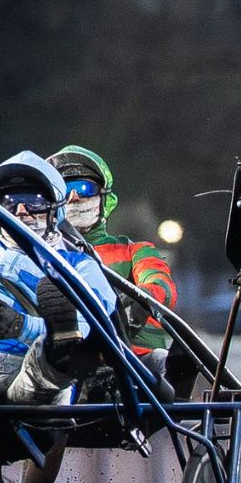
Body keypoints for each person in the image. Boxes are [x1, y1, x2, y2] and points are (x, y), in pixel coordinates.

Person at [0, 40, 117, 403]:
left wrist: (23, 327)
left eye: (33, 202)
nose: (21, 211)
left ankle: (55, 342)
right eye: (10, 203)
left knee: (58, 351)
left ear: (55, 209)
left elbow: (98, 328)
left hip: (31, 376)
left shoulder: (78, 264)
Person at [47, 145, 177, 357]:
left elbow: (161, 284)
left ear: (106, 199)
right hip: (66, 359)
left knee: (162, 361)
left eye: (84, 188)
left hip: (135, 359)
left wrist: (142, 298)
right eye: (64, 189)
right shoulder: (40, 257)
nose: (74, 197)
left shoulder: (136, 252)